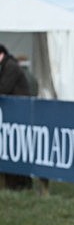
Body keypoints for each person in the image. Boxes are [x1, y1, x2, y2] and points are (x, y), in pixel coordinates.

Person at [0, 43, 33, 190]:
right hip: (14, 116)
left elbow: (4, 88)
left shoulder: (10, 67)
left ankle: (22, 184)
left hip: (20, 115)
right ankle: (15, 184)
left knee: (19, 150)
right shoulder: (7, 66)